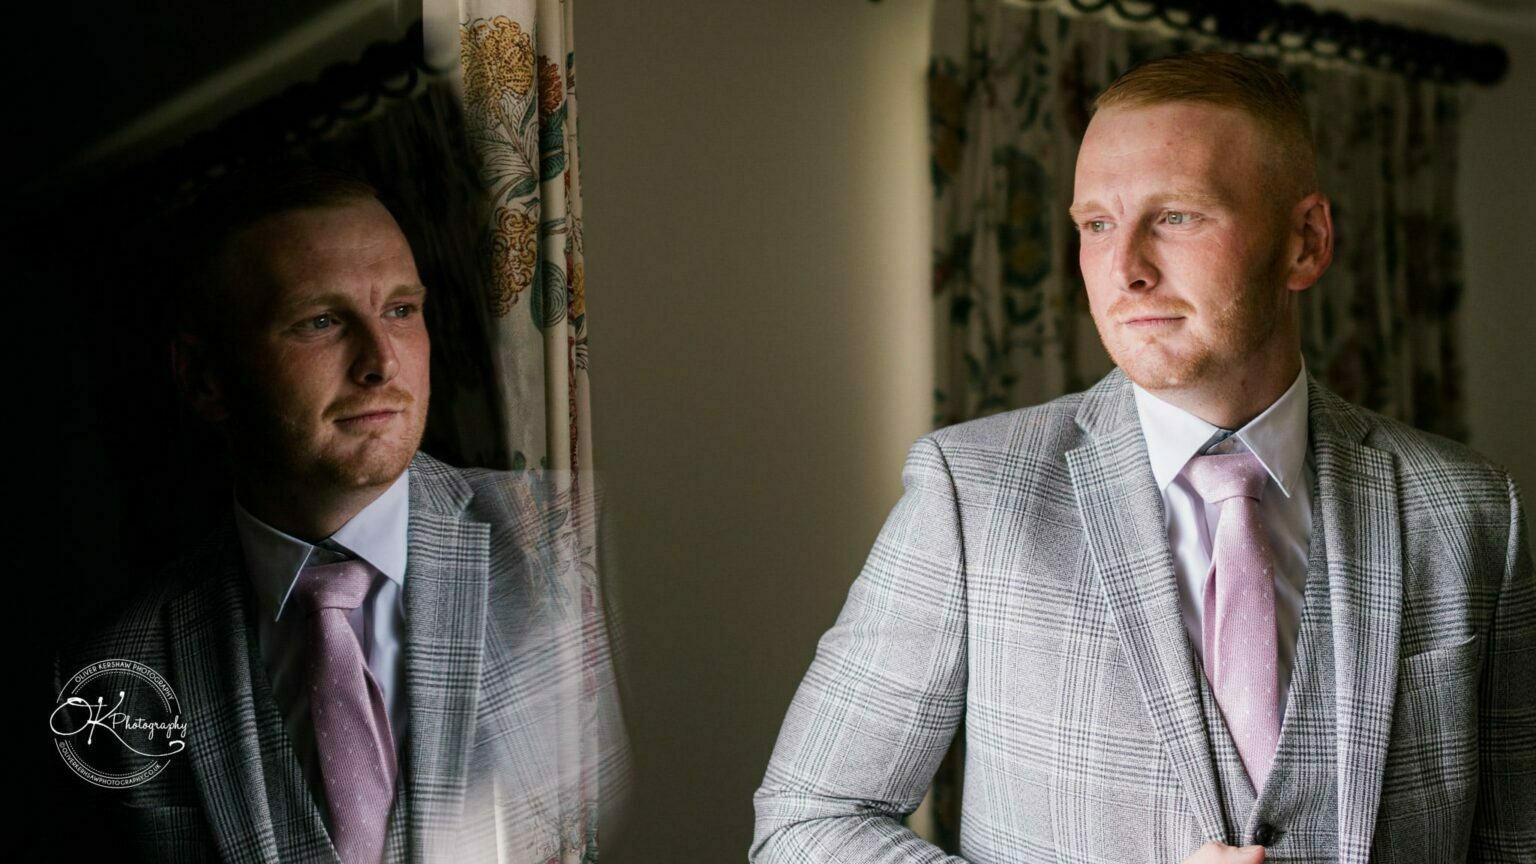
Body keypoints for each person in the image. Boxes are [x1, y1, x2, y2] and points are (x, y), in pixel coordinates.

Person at [752, 52, 1532, 863]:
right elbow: (809, 821)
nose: (1124, 268)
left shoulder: (1472, 510)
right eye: (1096, 224)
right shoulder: (972, 493)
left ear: (1305, 242)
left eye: (1178, 217)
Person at [52, 160, 624, 863]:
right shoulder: (114, 669)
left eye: (400, 311)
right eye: (320, 321)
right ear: (205, 379)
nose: (382, 362)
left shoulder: (582, 540)